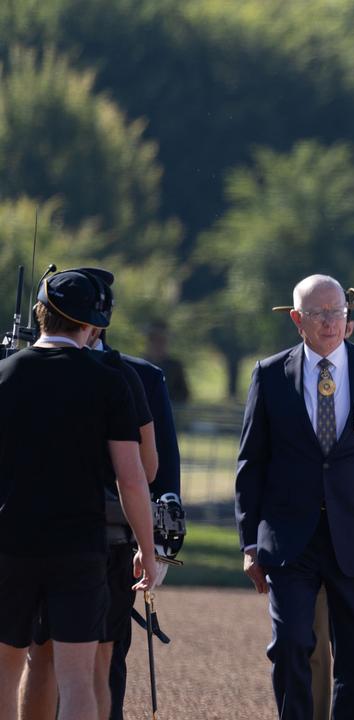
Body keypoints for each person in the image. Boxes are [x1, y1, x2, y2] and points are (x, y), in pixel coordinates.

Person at [236, 274, 354, 720]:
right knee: (289, 645)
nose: (329, 322)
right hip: (290, 538)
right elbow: (251, 464)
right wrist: (250, 542)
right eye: (318, 314)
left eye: (338, 312)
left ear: (349, 320)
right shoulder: (269, 376)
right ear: (296, 320)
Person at [20, 267, 179, 720]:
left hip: (112, 541)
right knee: (39, 653)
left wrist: (159, 545)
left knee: (104, 653)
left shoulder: (139, 376)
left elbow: (159, 470)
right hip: (43, 535)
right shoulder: (24, 366)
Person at [144, 321, 190, 405]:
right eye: (154, 340)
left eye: (162, 340)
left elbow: (183, 396)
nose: (158, 344)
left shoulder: (175, 366)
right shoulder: (139, 365)